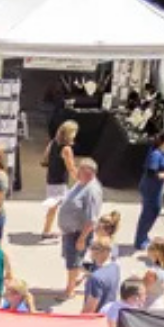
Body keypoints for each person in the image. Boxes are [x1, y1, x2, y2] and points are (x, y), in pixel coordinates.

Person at [58, 158, 104, 299]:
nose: (77, 171)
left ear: (89, 173)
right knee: (71, 260)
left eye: (80, 169)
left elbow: (92, 220)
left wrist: (82, 239)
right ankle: (79, 278)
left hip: (77, 234)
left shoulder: (92, 191)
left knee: (73, 263)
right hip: (69, 231)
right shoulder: (81, 183)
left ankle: (69, 290)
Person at [131, 129, 164, 251]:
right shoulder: (156, 154)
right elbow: (151, 173)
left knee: (155, 210)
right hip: (150, 187)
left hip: (156, 187)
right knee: (149, 213)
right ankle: (140, 240)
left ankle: (144, 236)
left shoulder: (161, 152)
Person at [41, 120, 78, 238]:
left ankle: (47, 230)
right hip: (60, 181)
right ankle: (53, 230)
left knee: (54, 207)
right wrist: (80, 180)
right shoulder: (66, 149)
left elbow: (45, 158)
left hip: (51, 178)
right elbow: (71, 167)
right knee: (63, 206)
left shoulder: (53, 143)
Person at [82, 235, 121, 315]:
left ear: (98, 252)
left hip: (96, 319)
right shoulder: (115, 267)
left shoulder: (96, 278)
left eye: (92, 248)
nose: (90, 250)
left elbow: (89, 311)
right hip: (109, 314)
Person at [144, 237, 164, 309]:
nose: (147, 250)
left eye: (150, 248)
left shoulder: (152, 272)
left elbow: (143, 288)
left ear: (157, 253)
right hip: (161, 302)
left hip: (151, 305)